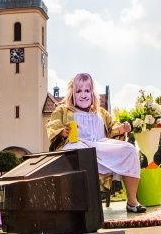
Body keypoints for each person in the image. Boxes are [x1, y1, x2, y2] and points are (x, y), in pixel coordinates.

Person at [47, 73, 146, 213]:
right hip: (77, 145)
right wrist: (62, 131)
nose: (83, 95)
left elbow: (113, 127)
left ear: (92, 93)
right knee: (80, 152)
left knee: (130, 149)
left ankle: (132, 201)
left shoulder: (101, 112)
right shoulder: (62, 110)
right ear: (72, 93)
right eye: (79, 91)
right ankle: (81, 205)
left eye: (87, 90)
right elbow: (53, 125)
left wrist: (121, 129)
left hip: (101, 146)